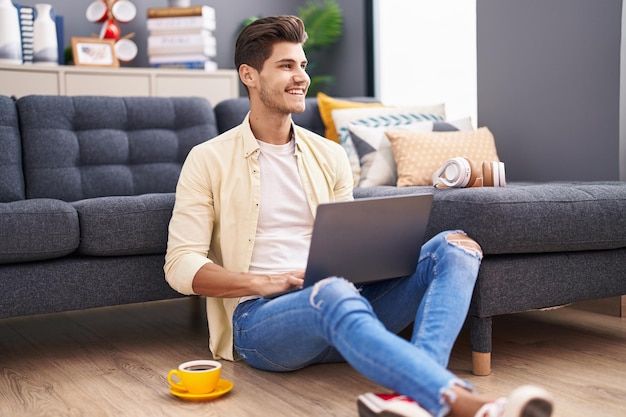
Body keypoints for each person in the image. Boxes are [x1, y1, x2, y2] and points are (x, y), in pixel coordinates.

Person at [164, 15, 554, 417]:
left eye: (302, 65)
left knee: (456, 246)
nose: (301, 77)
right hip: (263, 323)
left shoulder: (328, 154)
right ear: (249, 75)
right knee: (331, 290)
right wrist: (267, 281)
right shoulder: (208, 159)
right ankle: (462, 402)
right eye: (286, 66)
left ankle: (416, 396)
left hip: (351, 305)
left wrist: (373, 257)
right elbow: (181, 266)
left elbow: (347, 245)